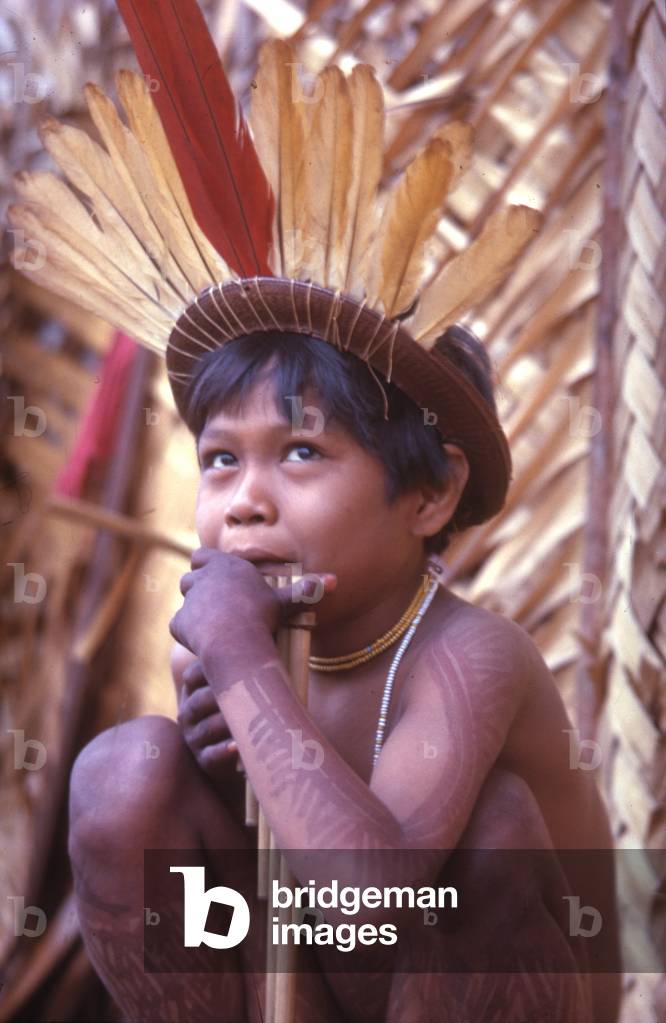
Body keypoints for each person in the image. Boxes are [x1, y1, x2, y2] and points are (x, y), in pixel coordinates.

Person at [67, 326, 620, 1023]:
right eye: (221, 458)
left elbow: (369, 907)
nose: (244, 501)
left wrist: (243, 660)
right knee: (124, 772)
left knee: (494, 828)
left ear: (430, 493)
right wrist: (228, 769)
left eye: (302, 451)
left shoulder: (472, 656)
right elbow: (261, 904)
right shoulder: (219, 658)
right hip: (315, 982)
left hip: (446, 980)